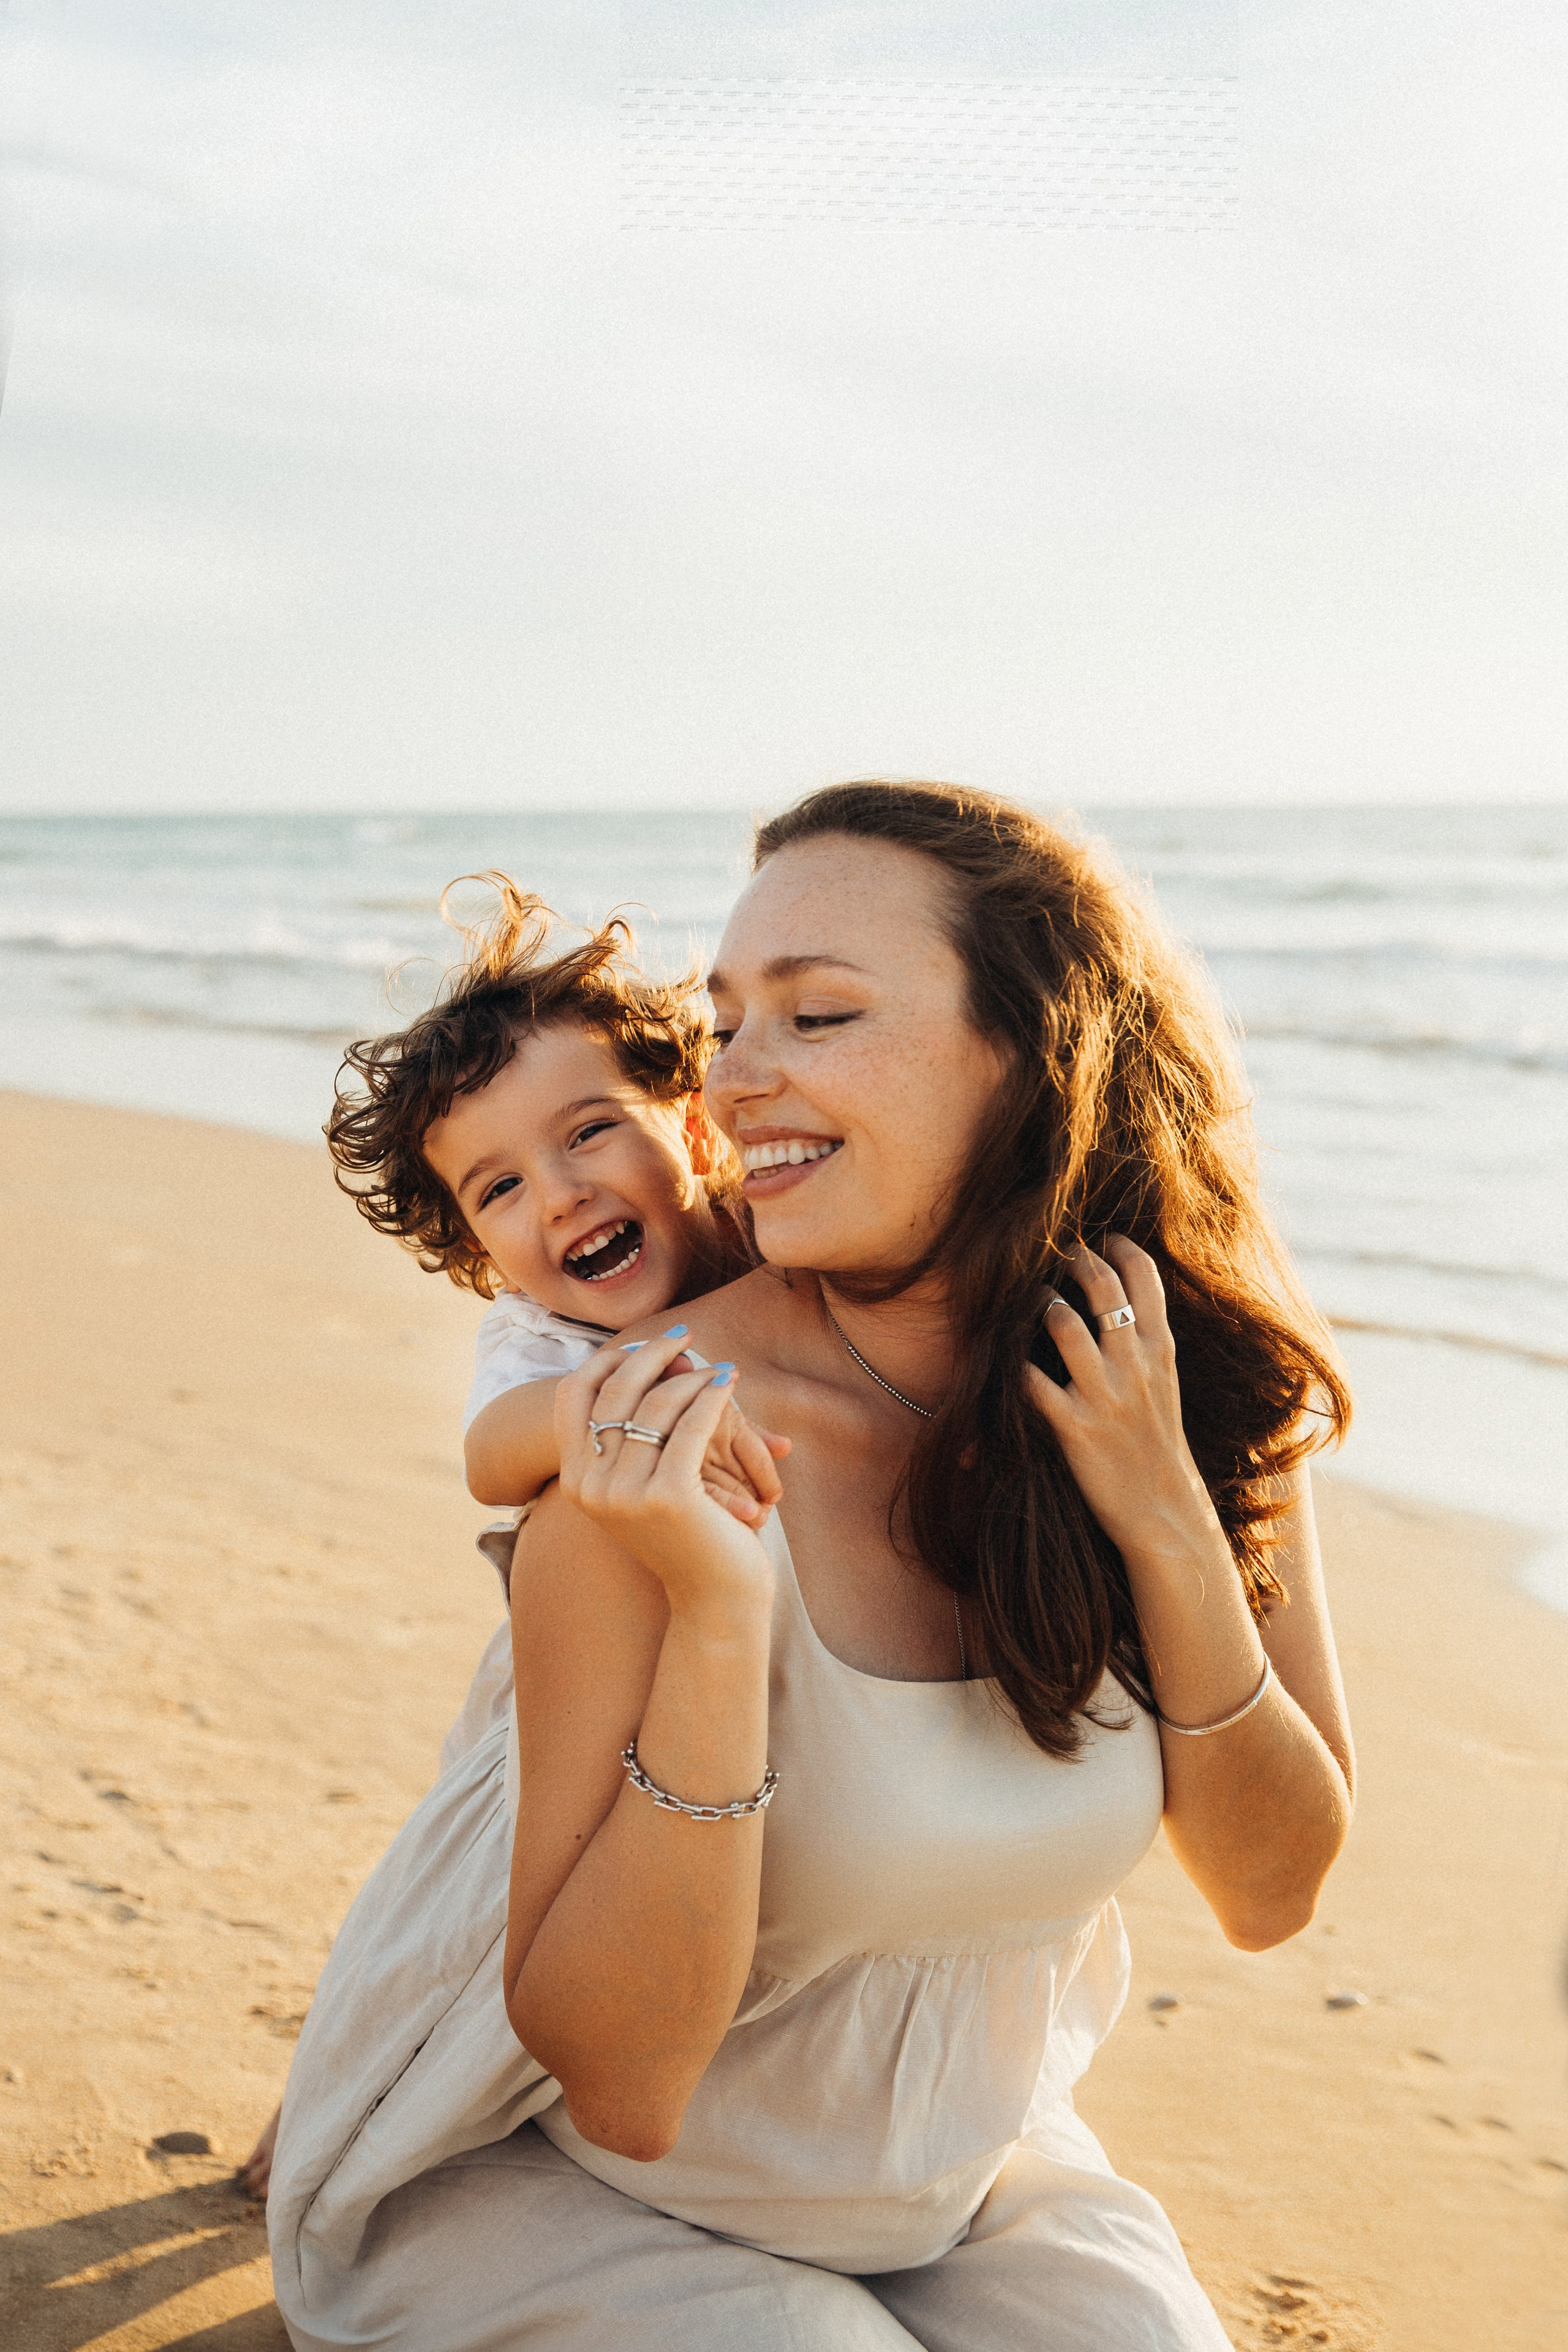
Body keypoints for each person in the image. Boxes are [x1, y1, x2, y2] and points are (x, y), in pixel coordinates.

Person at [268, 782, 1356, 2349]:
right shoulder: (652, 1437)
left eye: (817, 1013)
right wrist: (715, 1622)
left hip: (964, 2182)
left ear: (1032, 1048)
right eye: (725, 1021)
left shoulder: (1181, 1395)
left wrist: (1167, 1521)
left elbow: (1270, 1890)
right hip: (569, 2185)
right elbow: (622, 2083)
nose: (737, 1077)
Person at [236, 878, 786, 2200]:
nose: (559, 1195)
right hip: (540, 1697)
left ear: (697, 1127)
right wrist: (618, 1399)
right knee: (440, 1929)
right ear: (477, 1249)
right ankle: (324, 2115)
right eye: (498, 1188)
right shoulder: (545, 1344)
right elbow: (492, 1457)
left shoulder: (782, 1255)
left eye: (591, 1131)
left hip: (725, 1671)